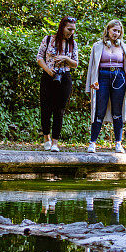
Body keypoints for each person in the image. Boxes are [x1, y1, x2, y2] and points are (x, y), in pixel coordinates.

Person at [85, 20, 126, 153]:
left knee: (117, 112)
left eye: (118, 31)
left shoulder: (124, 47)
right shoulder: (98, 46)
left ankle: (118, 143)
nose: (116, 33)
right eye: (114, 30)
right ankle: (92, 143)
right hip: (102, 77)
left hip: (119, 78)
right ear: (108, 30)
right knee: (99, 110)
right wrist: (93, 81)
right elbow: (93, 67)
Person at [37, 16, 79, 152]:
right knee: (45, 108)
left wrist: (66, 58)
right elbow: (39, 57)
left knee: (59, 110)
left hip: (64, 77)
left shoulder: (73, 44)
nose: (71, 32)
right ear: (62, 27)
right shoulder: (48, 39)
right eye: (69, 29)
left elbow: (75, 64)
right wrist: (48, 70)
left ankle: (55, 142)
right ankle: (46, 138)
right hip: (48, 76)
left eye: (73, 30)